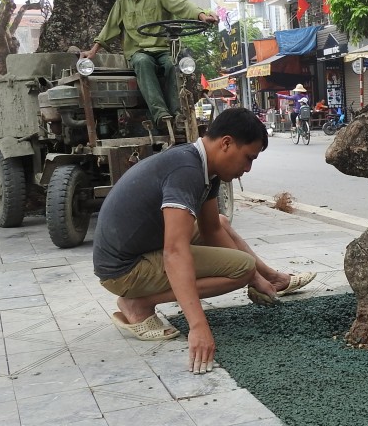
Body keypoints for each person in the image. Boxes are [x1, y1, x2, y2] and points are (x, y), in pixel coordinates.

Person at [93, 107, 316, 374]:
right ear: (226, 143)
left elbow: (211, 229)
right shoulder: (187, 170)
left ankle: (271, 278)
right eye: (248, 158)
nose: (247, 168)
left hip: (141, 247)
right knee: (241, 268)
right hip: (123, 270)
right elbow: (175, 252)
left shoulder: (204, 167)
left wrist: (257, 279)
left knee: (222, 223)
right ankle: (138, 303)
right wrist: (198, 326)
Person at [80, 0, 219, 129]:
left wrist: (202, 15)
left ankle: (178, 115)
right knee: (142, 62)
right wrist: (92, 51)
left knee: (171, 64)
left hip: (162, 49)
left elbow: (182, 5)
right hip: (138, 51)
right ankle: (161, 115)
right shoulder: (123, 0)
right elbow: (110, 26)